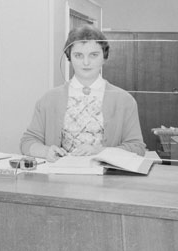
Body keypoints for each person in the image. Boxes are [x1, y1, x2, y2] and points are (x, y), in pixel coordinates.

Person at [21, 25, 145, 161]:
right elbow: (27, 142)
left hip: (106, 174)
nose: (86, 62)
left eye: (94, 55)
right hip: (60, 173)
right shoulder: (49, 99)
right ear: (69, 57)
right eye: (78, 55)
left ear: (104, 57)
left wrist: (100, 151)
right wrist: (46, 152)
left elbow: (137, 148)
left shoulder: (124, 100)